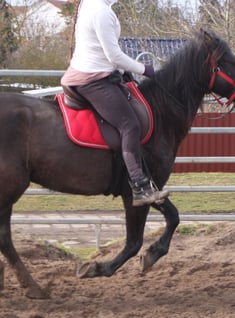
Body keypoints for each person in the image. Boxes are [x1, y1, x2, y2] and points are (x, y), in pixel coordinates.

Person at [60, 0, 170, 206]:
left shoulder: (91, 4)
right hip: (93, 79)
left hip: (95, 71)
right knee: (130, 125)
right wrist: (146, 70)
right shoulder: (101, 12)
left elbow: (104, 53)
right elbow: (114, 55)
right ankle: (139, 185)